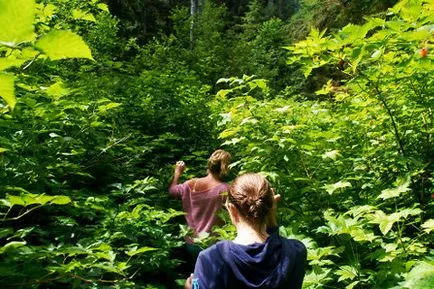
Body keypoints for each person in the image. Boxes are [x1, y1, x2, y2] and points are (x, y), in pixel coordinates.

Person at [184, 173, 307, 289]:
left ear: (231, 209)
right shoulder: (296, 252)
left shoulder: (212, 258)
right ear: (270, 208)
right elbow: (273, 247)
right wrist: (271, 219)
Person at [169, 149, 232, 245]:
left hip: (192, 242)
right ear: (226, 168)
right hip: (213, 244)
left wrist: (177, 173)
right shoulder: (225, 189)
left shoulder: (190, 184)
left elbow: (173, 191)